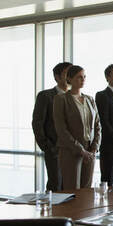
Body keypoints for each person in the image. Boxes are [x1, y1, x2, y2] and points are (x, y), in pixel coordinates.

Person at [53, 65, 101, 190]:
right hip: (70, 150)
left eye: (84, 77)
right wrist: (80, 150)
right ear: (69, 78)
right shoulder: (61, 99)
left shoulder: (90, 99)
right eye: (79, 77)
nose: (83, 79)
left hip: (90, 149)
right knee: (72, 189)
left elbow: (97, 125)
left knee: (86, 189)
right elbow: (61, 129)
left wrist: (95, 147)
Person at [32, 61, 71, 191]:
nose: (69, 77)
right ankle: (53, 212)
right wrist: (48, 147)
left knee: (72, 187)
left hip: (74, 150)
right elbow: (37, 123)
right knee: (56, 185)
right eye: (66, 74)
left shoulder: (77, 97)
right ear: (57, 77)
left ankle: (70, 212)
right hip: (55, 149)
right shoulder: (45, 96)